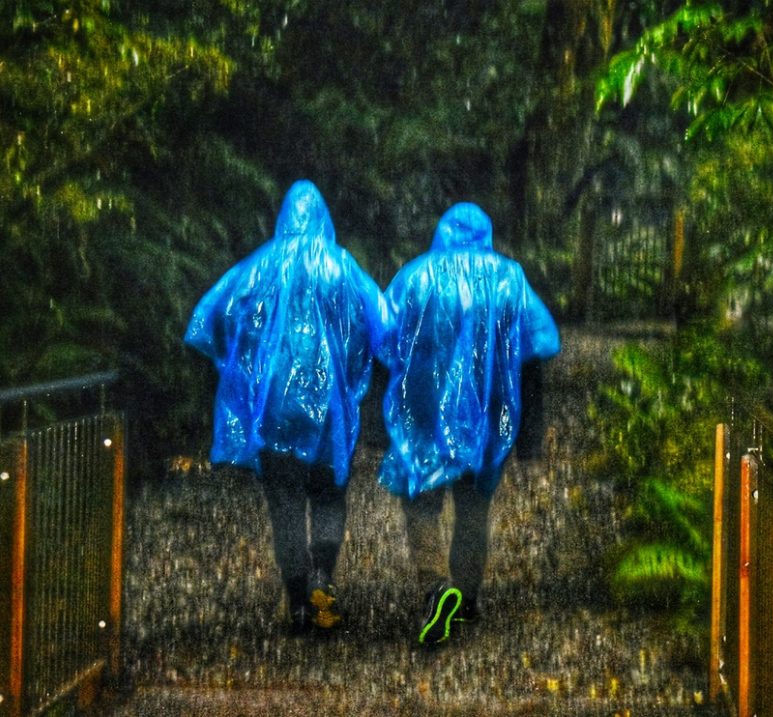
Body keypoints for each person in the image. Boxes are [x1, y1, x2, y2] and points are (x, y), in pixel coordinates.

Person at [184, 180, 387, 635]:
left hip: (273, 406)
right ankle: (322, 578)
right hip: (329, 405)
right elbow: (382, 323)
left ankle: (297, 601)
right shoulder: (341, 267)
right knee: (329, 492)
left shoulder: (260, 265)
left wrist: (236, 360)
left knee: (285, 500)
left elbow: (210, 317)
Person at [377, 202, 560, 646]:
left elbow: (384, 340)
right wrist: (530, 437)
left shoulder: (416, 276)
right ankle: (468, 596)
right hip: (487, 414)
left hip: (423, 411)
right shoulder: (509, 279)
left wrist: (376, 425)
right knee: (473, 508)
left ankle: (436, 586)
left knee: (420, 500)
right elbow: (533, 353)